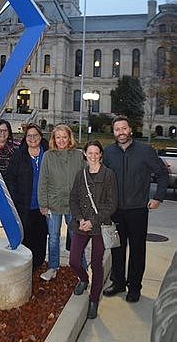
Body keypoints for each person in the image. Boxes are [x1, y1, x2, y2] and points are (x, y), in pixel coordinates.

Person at [102, 115, 169, 303]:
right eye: (117, 129)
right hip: (115, 210)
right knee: (117, 248)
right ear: (113, 132)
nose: (121, 132)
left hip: (138, 209)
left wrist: (158, 197)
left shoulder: (145, 151)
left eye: (124, 128)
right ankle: (118, 282)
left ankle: (134, 287)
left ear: (130, 129)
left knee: (137, 250)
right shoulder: (108, 153)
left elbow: (162, 174)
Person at [69, 140, 118, 319]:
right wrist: (80, 219)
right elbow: (73, 199)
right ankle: (83, 278)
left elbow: (112, 204)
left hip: (99, 225)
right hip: (81, 224)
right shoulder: (80, 174)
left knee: (97, 264)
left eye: (96, 153)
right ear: (85, 154)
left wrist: (92, 221)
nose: (93, 156)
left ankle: (94, 300)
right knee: (74, 260)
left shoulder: (108, 175)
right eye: (90, 153)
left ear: (101, 155)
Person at [38, 124, 87, 281]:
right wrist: (43, 204)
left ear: (69, 138)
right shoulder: (48, 156)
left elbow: (87, 178)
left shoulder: (78, 156)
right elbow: (43, 181)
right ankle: (53, 267)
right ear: (53, 139)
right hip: (53, 203)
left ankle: (83, 268)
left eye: (64, 137)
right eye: (58, 137)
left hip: (74, 205)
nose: (61, 140)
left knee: (76, 236)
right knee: (53, 236)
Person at [6, 123, 48, 269]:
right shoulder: (19, 155)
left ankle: (38, 264)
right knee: (26, 235)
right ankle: (25, 264)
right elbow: (10, 177)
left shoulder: (48, 153)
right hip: (24, 204)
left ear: (41, 136)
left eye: (35, 135)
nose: (32, 138)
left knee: (41, 236)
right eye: (29, 135)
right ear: (25, 138)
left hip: (44, 205)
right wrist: (14, 197)